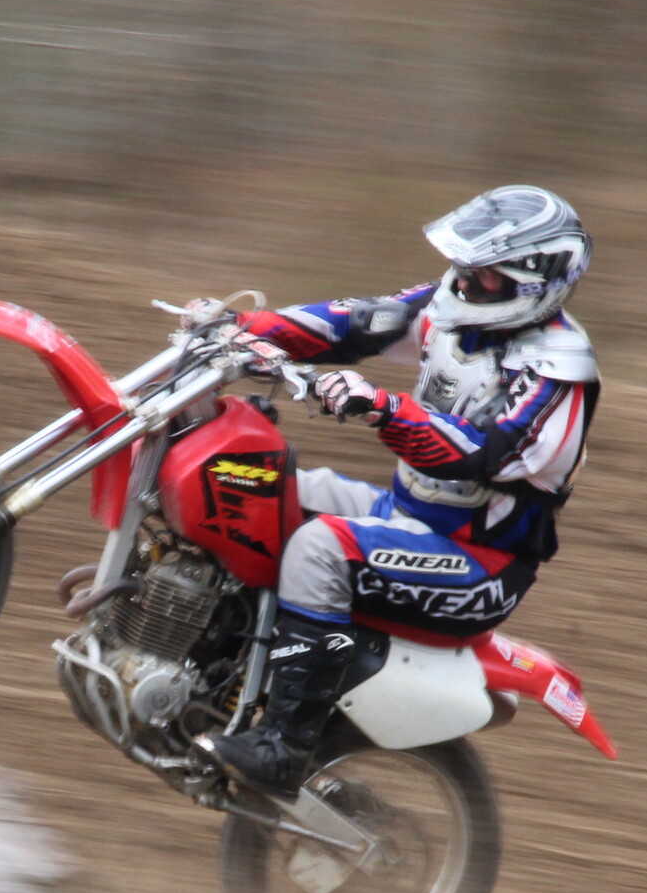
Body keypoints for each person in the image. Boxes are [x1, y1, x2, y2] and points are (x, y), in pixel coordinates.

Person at [197, 185, 600, 799]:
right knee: (245, 488)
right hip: (406, 516)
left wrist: (384, 407)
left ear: (533, 282)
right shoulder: (449, 307)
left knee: (319, 550)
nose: (465, 283)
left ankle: (283, 744)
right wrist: (241, 329)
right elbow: (356, 322)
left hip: (477, 567)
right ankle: (203, 662)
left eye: (485, 276)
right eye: (465, 268)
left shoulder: (558, 370)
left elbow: (482, 454)